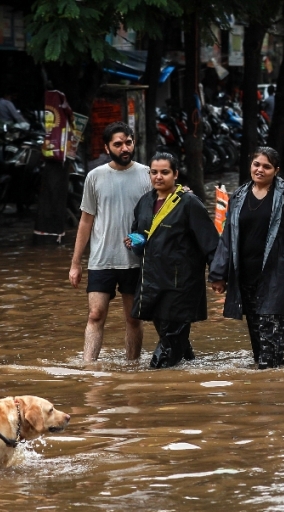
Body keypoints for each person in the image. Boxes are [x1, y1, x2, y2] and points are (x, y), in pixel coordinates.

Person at [209, 147, 284, 369]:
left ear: (276, 170)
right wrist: (218, 274)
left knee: (271, 353)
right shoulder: (238, 196)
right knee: (259, 351)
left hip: (279, 278)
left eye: (266, 166)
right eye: (256, 164)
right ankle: (266, 393)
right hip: (248, 279)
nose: (260, 170)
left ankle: (272, 392)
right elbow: (228, 238)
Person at [126, 153, 220, 368]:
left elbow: (210, 243)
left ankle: (155, 381)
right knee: (174, 340)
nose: (159, 177)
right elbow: (137, 231)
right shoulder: (145, 202)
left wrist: (217, 275)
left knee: (168, 344)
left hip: (181, 285)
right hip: (153, 282)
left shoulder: (188, 203)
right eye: (154, 172)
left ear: (175, 174)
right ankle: (185, 383)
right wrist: (132, 241)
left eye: (165, 172)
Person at [69, 122, 151, 362]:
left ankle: (132, 365)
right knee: (95, 314)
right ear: (107, 147)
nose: (124, 148)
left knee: (133, 318)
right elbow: (86, 221)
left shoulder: (148, 175)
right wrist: (75, 263)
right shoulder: (95, 177)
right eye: (118, 144)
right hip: (101, 259)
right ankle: (89, 367)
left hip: (135, 260)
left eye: (128, 142)